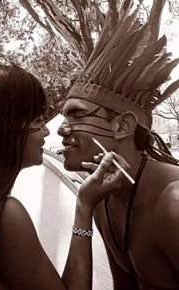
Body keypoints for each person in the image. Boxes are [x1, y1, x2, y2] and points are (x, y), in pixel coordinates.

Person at [0, 63, 128, 290]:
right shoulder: (2, 215)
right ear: (4, 129)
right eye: (39, 121)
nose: (50, 131)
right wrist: (85, 207)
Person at [58, 0, 179, 289]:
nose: (62, 129)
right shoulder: (103, 201)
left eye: (76, 114)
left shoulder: (173, 203)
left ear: (123, 126)